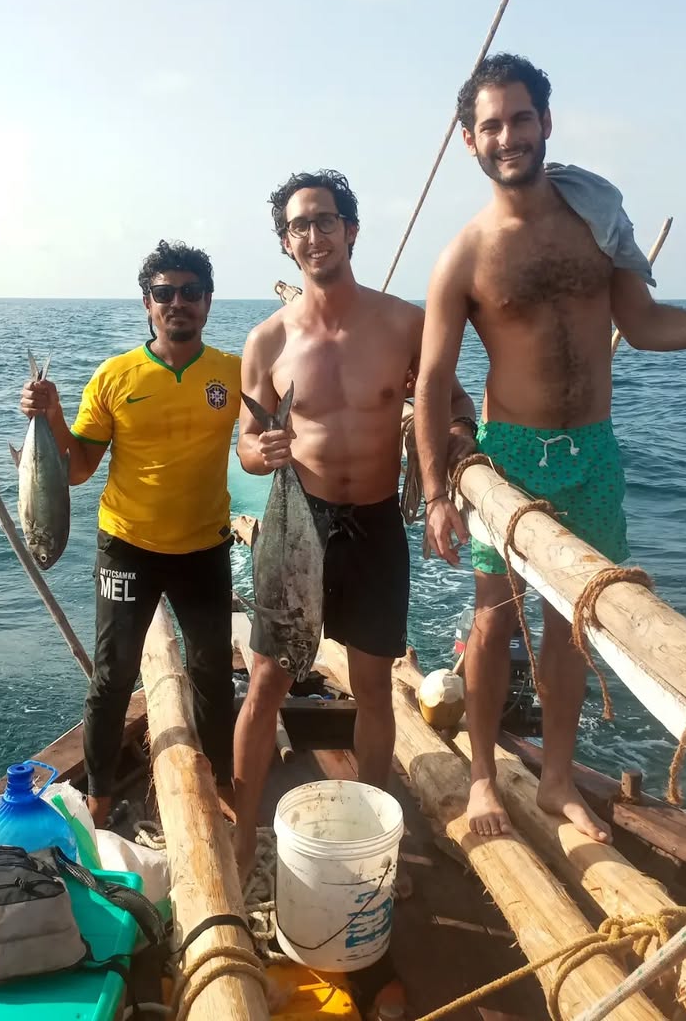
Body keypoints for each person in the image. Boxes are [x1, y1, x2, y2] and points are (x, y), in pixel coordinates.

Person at [413, 53, 686, 841]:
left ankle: (555, 781)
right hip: (509, 462)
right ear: (468, 141)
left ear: (546, 122)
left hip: (597, 455)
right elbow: (430, 381)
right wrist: (439, 495)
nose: (507, 136)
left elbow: (643, 325)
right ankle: (483, 779)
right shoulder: (463, 256)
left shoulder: (597, 223)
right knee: (491, 623)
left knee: (571, 627)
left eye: (520, 118)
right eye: (490, 125)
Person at [233, 169, 477, 879]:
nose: (314, 234)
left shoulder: (404, 323)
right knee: (269, 682)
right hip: (295, 526)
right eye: (299, 226)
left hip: (373, 528)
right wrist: (261, 451)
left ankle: (378, 845)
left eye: (325, 220)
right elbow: (246, 447)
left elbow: (452, 399)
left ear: (351, 230)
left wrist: (459, 438)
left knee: (374, 688)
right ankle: (243, 836)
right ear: (286, 243)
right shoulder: (266, 341)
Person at [19, 240, 242, 827]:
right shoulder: (115, 375)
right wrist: (52, 418)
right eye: (165, 293)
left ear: (208, 302)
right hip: (127, 547)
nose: (178, 303)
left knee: (215, 672)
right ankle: (97, 795)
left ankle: (221, 779)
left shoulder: (232, 372)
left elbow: (271, 427)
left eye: (190, 292)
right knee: (113, 676)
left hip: (205, 549)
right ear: (147, 303)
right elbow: (75, 470)